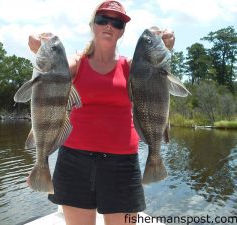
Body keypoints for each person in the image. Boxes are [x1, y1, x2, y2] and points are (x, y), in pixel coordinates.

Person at [28, 1, 175, 225]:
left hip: (122, 165)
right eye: (102, 19)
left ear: (122, 31)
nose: (109, 25)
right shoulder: (77, 63)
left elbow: (153, 69)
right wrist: (41, 50)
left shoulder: (131, 67)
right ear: (92, 24)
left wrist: (166, 47)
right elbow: (55, 71)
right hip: (74, 162)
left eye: (117, 22)